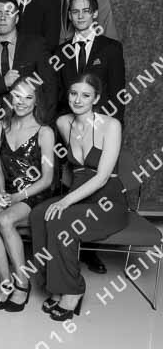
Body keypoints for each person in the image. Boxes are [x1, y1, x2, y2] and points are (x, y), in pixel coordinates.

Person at [30, 73, 128, 321]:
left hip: (107, 200)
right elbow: (75, 169)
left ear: (96, 98)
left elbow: (102, 177)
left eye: (85, 95)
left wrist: (65, 201)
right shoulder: (64, 122)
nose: (77, 99)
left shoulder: (111, 125)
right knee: (39, 215)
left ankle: (72, 290)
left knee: (62, 221)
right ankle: (54, 285)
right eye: (73, 93)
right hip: (78, 193)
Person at [0, 76, 54, 312]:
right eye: (16, 96)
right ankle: (6, 282)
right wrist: (2, 192)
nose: (21, 102)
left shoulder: (44, 132)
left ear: (36, 101)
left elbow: (47, 179)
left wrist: (16, 198)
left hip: (34, 192)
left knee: (4, 220)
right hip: (8, 191)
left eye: (28, 97)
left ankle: (22, 283)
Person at [0, 0, 57, 123]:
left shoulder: (36, 45)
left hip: (28, 122)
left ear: (16, 19)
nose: (2, 18)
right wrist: (2, 83)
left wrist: (43, 122)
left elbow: (50, 86)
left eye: (8, 13)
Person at [56, 0, 126, 124]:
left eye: (86, 11)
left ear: (95, 13)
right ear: (70, 15)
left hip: (102, 124)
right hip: (70, 127)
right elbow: (57, 97)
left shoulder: (111, 48)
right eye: (75, 12)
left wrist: (114, 128)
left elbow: (117, 94)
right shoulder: (60, 52)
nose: (80, 16)